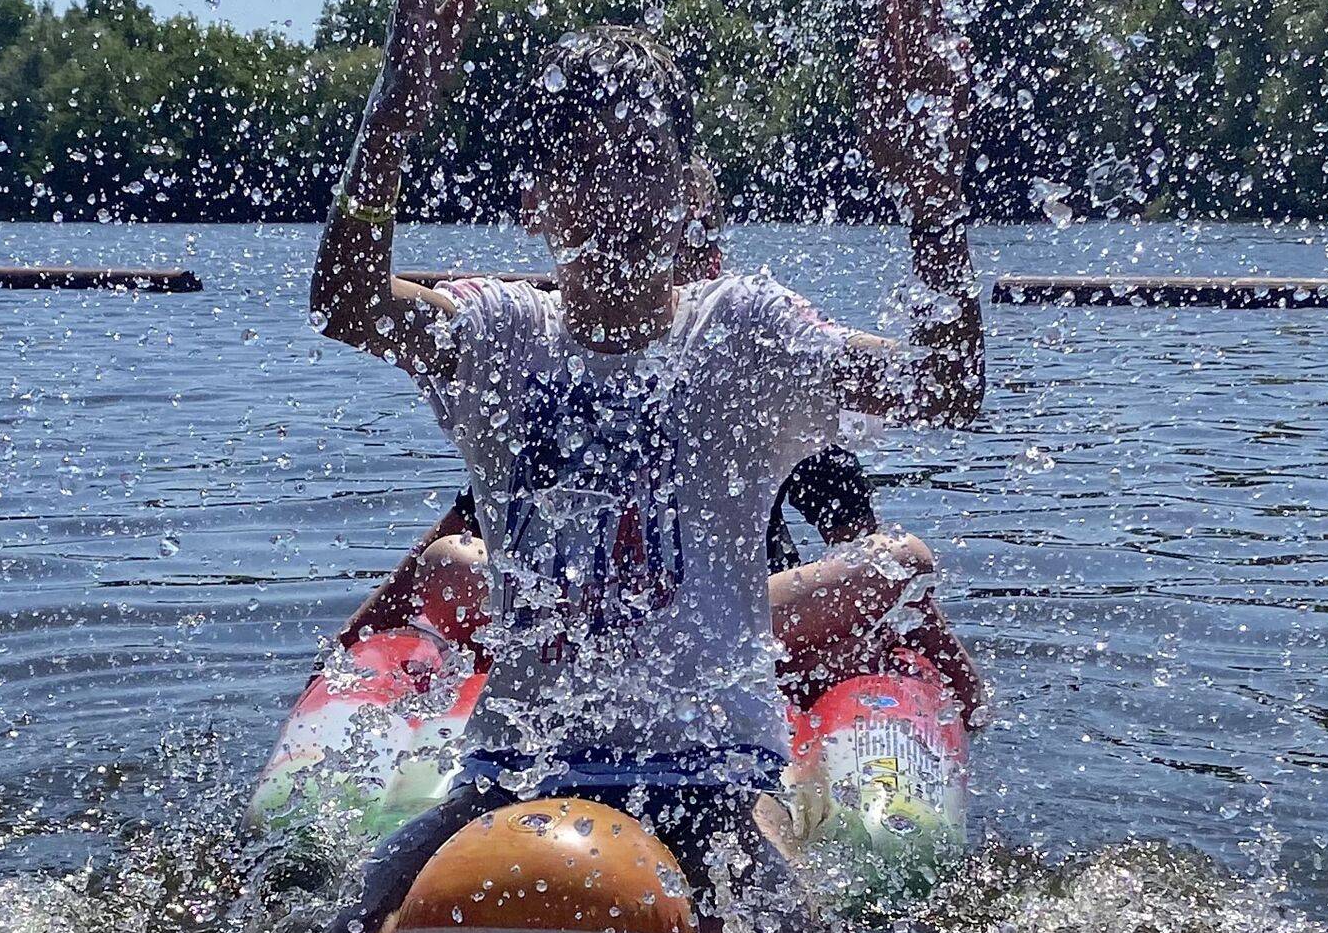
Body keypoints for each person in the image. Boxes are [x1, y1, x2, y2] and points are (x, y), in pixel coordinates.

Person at [303, 0, 984, 933]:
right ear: (536, 200)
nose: (618, 191)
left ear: (691, 191)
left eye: (644, 162)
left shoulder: (746, 337)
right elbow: (345, 300)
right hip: (514, 770)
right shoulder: (499, 337)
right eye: (585, 163)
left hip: (712, 778)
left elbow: (945, 386)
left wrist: (932, 188)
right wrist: (393, 112)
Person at [332, 155, 982, 721]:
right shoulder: (554, 378)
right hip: (577, 613)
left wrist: (946, 675)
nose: (681, 264)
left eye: (696, 244)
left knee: (901, 559)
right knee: (446, 562)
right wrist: (348, 652)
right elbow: (453, 528)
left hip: (737, 621)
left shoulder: (753, 372)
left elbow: (864, 548)